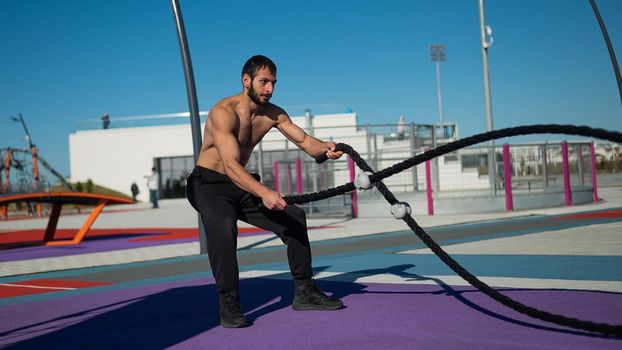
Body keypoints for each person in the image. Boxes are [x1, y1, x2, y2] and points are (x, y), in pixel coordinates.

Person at [186, 55, 344, 328]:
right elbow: (230, 165)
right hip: (209, 183)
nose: (269, 89)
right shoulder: (223, 112)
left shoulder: (273, 113)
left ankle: (305, 292)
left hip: (241, 182)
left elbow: (306, 142)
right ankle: (229, 302)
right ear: (246, 80)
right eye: (263, 82)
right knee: (223, 226)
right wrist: (264, 192)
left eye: (273, 83)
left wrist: (326, 149)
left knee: (294, 217)